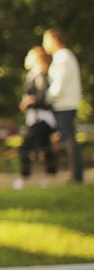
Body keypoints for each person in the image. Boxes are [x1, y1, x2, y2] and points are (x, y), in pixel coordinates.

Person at [43, 28, 84, 183]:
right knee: (67, 139)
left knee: (69, 140)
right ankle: (75, 175)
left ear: (54, 40)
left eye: (46, 40)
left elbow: (58, 86)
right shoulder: (62, 57)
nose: (45, 44)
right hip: (64, 104)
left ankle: (76, 175)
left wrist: (45, 99)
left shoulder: (63, 58)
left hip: (65, 105)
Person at [15, 46, 57, 189]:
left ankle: (24, 176)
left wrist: (30, 102)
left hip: (42, 118)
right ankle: (50, 175)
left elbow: (43, 98)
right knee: (45, 145)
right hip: (35, 117)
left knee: (27, 145)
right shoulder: (33, 75)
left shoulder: (42, 75)